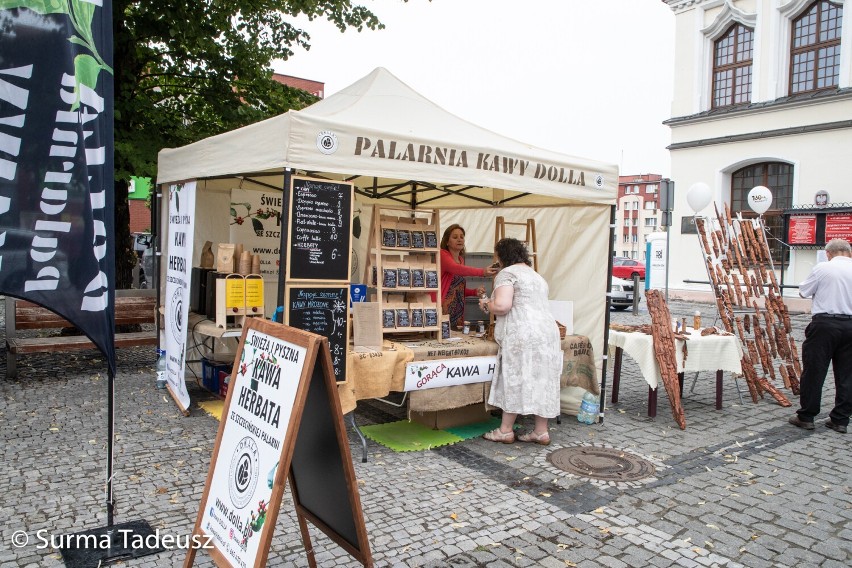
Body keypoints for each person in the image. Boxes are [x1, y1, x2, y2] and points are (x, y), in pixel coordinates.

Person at [479, 237, 562, 445]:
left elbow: (503, 306)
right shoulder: (536, 276)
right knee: (541, 378)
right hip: (547, 332)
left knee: (515, 377)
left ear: (502, 256)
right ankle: (541, 431)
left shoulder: (507, 274)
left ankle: (505, 430)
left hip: (523, 331)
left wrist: (488, 304)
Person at [788, 238, 852, 434]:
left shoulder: (823, 268)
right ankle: (840, 419)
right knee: (847, 374)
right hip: (850, 325)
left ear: (828, 253)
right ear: (849, 253)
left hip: (825, 324)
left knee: (815, 370)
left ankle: (806, 416)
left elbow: (803, 291)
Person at [439, 224, 498, 328]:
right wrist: (482, 272)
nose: (459, 239)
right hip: (443, 308)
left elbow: (457, 289)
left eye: (462, 237)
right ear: (447, 241)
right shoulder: (442, 254)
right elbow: (456, 269)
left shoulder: (461, 260)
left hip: (458, 310)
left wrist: (474, 292)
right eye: (455, 237)